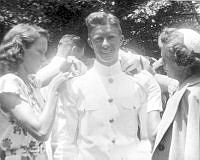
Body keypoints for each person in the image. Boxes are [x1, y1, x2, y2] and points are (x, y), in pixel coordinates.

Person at [51, 11, 162, 160]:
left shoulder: (142, 83)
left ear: (121, 40)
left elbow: (147, 140)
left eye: (111, 37)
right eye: (98, 39)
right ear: (90, 43)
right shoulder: (74, 86)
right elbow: (64, 143)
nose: (105, 44)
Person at [0, 24, 69, 160]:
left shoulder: (31, 82)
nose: (44, 59)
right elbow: (41, 131)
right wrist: (54, 90)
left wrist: (69, 62)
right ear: (20, 50)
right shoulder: (9, 82)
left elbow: (52, 72)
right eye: (40, 52)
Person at [152, 28, 200, 160]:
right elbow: (163, 81)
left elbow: (194, 151)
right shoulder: (185, 85)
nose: (161, 64)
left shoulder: (193, 95)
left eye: (164, 59)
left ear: (182, 62)